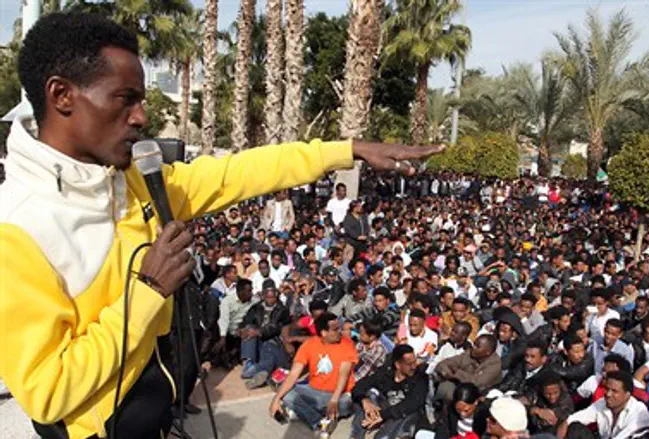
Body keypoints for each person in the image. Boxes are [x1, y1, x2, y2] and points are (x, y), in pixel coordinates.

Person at [0, 12, 442, 439]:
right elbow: (48, 392)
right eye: (125, 98)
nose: (141, 117)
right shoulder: (17, 227)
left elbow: (238, 173)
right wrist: (149, 291)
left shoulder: (129, 178)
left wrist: (345, 150)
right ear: (61, 95)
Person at [269, 312, 358, 436]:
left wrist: (334, 399)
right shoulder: (309, 344)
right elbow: (294, 373)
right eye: (335, 329)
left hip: (339, 395)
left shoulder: (347, 344)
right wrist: (275, 400)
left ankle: (304, 412)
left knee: (345, 404)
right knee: (285, 392)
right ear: (323, 333)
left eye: (339, 327)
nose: (340, 331)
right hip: (313, 391)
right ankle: (319, 422)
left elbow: (344, 374)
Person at [350, 344, 428, 439]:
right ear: (397, 365)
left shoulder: (420, 377)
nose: (413, 367)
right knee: (365, 398)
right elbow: (359, 386)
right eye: (409, 364)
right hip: (383, 409)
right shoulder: (385, 374)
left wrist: (383, 415)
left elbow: (413, 403)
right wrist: (365, 402)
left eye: (414, 362)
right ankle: (356, 436)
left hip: (400, 414)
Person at [558, 371, 649, 439]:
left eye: (614, 391)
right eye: (607, 389)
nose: (608, 394)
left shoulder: (639, 412)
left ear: (627, 394)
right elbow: (571, 419)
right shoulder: (603, 402)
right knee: (575, 427)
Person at [240, 285, 292, 389]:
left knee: (269, 354)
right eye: (268, 297)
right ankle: (249, 363)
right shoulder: (256, 308)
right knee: (249, 331)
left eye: (272, 297)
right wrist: (243, 329)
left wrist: (259, 332)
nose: (270, 299)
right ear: (263, 296)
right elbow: (247, 320)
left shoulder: (282, 310)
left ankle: (261, 371)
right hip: (257, 340)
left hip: (272, 339)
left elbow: (277, 327)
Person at [435, 335, 502, 404]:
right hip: (461, 386)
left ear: (488, 352)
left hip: (481, 394)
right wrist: (448, 373)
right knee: (446, 386)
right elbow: (444, 363)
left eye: (477, 346)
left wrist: (456, 373)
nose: (473, 347)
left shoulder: (495, 364)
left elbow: (477, 382)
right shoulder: (469, 353)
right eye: (474, 344)